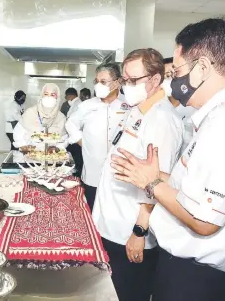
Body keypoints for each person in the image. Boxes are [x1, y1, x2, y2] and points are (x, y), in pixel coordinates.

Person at [110, 18, 225, 301]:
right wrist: (160, 177)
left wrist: (151, 184)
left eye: (178, 70)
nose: (173, 79)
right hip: (186, 270)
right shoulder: (218, 118)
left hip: (197, 279)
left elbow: (204, 220)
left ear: (202, 68)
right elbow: (194, 191)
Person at [93, 49, 183, 301]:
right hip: (113, 221)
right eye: (125, 80)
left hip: (130, 229)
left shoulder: (163, 119)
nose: (127, 86)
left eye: (133, 80)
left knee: (130, 293)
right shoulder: (138, 109)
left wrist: (139, 231)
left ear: (155, 80)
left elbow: (157, 182)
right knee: (111, 290)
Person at [65, 63, 129, 211]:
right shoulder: (87, 105)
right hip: (93, 171)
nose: (98, 85)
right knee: (92, 211)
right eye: (96, 81)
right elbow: (70, 124)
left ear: (118, 82)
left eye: (103, 82)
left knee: (114, 213)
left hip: (119, 173)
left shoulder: (128, 104)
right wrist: (82, 141)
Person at [13, 83, 67, 149]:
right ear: (41, 96)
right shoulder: (30, 112)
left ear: (57, 98)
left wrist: (58, 147)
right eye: (46, 94)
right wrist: (23, 146)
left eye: (52, 95)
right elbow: (19, 131)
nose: (49, 97)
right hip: (31, 153)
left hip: (53, 156)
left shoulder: (61, 117)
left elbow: (65, 137)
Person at [162, 57, 196, 154]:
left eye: (174, 75)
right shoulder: (159, 107)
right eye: (167, 76)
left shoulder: (192, 108)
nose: (171, 80)